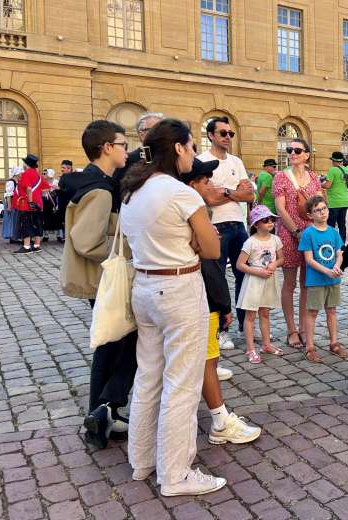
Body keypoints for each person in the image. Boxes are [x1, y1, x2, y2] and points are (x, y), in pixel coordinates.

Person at [121, 119, 226, 496]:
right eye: (192, 146)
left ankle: (142, 460)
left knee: (148, 376)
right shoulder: (181, 193)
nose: (195, 153)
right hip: (179, 287)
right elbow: (212, 248)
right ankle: (176, 473)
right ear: (178, 148)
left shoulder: (133, 189)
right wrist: (195, 242)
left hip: (145, 285)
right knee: (181, 383)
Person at [59, 120, 131, 449]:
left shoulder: (97, 182)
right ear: (107, 147)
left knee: (112, 345)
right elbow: (87, 241)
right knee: (118, 344)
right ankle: (102, 409)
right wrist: (123, 253)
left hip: (103, 280)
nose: (127, 150)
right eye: (123, 144)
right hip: (105, 280)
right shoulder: (100, 190)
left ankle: (104, 412)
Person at [181, 158, 262, 446]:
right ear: (193, 185)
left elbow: (247, 194)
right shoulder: (196, 210)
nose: (211, 186)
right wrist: (224, 305)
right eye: (206, 181)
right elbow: (212, 259)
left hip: (179, 293)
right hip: (198, 295)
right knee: (207, 356)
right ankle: (219, 421)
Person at [197, 117, 255, 348]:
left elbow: (249, 195)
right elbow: (209, 197)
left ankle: (245, 324)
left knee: (245, 275)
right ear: (211, 135)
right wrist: (235, 192)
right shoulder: (202, 161)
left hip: (238, 224)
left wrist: (226, 191)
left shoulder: (236, 161)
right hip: (215, 226)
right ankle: (221, 329)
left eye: (230, 134)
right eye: (223, 133)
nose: (228, 137)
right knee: (216, 279)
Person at [273, 137, 324, 350]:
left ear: (306, 155)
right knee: (289, 283)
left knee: (306, 283)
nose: (292, 153)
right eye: (289, 149)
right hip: (289, 233)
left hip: (310, 234)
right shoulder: (280, 177)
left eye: (297, 150)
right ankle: (291, 329)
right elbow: (281, 209)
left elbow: (320, 204)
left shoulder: (313, 178)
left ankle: (304, 328)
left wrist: (319, 230)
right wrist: (296, 231)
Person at [299, 195, 347, 363]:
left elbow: (339, 253)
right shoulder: (308, 234)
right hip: (316, 280)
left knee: (332, 310)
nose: (322, 212)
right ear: (310, 215)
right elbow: (309, 259)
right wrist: (326, 271)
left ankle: (334, 342)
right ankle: (310, 346)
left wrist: (336, 267)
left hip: (333, 279)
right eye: (317, 210)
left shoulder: (333, 232)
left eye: (324, 208)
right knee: (312, 312)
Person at [237, 204, 284, 362]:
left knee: (265, 313)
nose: (270, 222)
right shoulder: (250, 242)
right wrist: (258, 271)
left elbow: (281, 258)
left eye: (272, 219)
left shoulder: (275, 240)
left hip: (269, 280)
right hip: (254, 281)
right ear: (256, 224)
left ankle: (266, 344)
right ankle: (250, 349)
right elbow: (240, 264)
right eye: (265, 220)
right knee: (250, 315)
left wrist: (274, 264)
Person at [113, 112, 165, 183]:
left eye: (163, 130)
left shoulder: (169, 159)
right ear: (142, 135)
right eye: (156, 130)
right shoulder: (127, 160)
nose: (161, 135)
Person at [13, 154, 50, 254]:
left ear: (26, 164)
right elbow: (46, 188)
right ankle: (37, 245)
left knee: (26, 224)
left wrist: (30, 201)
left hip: (27, 204)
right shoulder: (38, 175)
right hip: (38, 204)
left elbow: (29, 188)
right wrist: (38, 194)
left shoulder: (26, 174)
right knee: (37, 224)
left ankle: (26, 246)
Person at [322, 151, 348, 242]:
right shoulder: (347, 170)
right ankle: (342, 244)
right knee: (342, 224)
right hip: (345, 201)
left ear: (333, 161)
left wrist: (320, 183)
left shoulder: (332, 170)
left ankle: (330, 242)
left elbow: (327, 185)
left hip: (334, 202)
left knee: (330, 224)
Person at [41, 168, 62, 242]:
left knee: (56, 219)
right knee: (45, 218)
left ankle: (58, 235)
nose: (44, 175)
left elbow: (59, 191)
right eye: (44, 173)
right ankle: (46, 235)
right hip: (46, 202)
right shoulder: (43, 182)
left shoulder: (56, 182)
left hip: (54, 202)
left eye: (45, 173)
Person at [56, 160, 74, 242]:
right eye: (62, 167)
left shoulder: (72, 178)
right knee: (63, 220)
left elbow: (70, 190)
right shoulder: (63, 177)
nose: (62, 169)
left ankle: (69, 237)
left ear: (69, 168)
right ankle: (66, 236)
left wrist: (59, 189)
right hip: (62, 202)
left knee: (69, 220)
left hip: (68, 202)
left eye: (64, 167)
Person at [2, 166, 21, 242]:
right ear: (16, 173)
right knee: (11, 220)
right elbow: (8, 195)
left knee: (15, 220)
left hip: (16, 203)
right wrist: (9, 206)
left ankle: (14, 236)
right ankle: (12, 237)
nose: (21, 173)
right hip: (11, 203)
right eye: (20, 172)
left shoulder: (17, 181)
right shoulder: (11, 182)